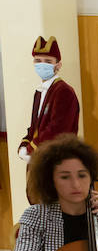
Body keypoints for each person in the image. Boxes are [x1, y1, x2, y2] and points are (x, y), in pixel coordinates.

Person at [17, 37, 80, 167]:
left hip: (57, 160)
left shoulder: (63, 91)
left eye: (48, 61)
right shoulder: (40, 92)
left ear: (58, 65)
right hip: (40, 160)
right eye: (38, 61)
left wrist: (30, 149)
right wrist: (24, 144)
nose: (42, 65)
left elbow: (57, 129)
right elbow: (34, 127)